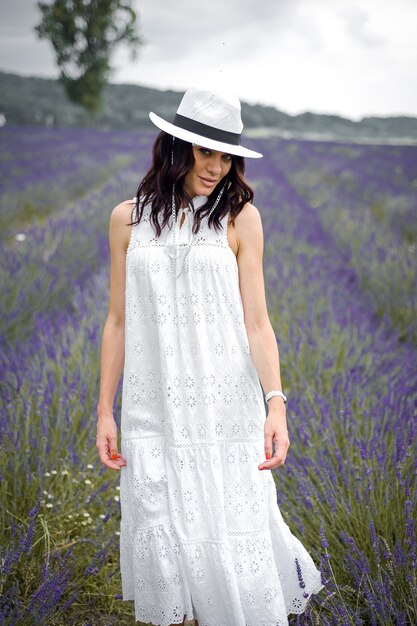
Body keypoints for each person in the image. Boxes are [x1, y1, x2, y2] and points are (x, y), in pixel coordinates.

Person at [96, 87, 324, 626]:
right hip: (153, 411)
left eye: (227, 156)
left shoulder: (241, 219)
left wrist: (276, 405)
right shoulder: (127, 220)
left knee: (223, 537)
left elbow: (258, 321)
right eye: (205, 152)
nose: (217, 167)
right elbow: (117, 321)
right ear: (176, 147)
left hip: (225, 412)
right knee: (168, 548)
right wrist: (105, 411)